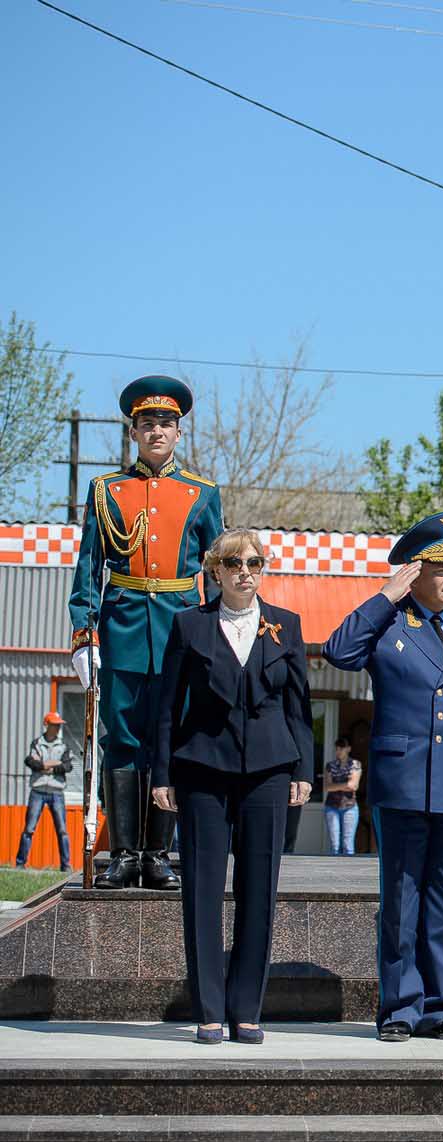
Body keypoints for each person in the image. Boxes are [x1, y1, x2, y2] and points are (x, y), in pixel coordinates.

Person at [323, 512, 443, 1043]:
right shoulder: (391, 625)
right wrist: (384, 598)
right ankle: (399, 1008)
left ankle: (438, 1008)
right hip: (404, 785)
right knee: (402, 903)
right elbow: (338, 651)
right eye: (440, 569)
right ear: (415, 574)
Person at [149, 530, 314, 1044]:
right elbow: (166, 708)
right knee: (201, 890)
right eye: (235, 562)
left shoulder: (285, 626)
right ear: (215, 571)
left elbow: (299, 709)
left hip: (268, 773)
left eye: (255, 562)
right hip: (201, 772)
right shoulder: (189, 626)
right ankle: (210, 1011)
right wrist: (161, 774)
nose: (247, 570)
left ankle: (247, 1009)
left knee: (259, 890)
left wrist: (304, 771)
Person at [68, 375, 223, 890]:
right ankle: (123, 854)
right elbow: (89, 567)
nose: (158, 430)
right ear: (133, 431)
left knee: (173, 740)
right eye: (148, 422)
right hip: (123, 628)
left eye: (167, 423)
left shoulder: (203, 494)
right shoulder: (107, 491)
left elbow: (216, 569)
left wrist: (220, 632)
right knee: (123, 739)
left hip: (181, 630)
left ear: (179, 433)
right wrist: (84, 634)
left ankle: (158, 854)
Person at [17, 713, 79, 871]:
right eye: (54, 724)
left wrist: (45, 765)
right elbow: (31, 762)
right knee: (29, 828)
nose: (58, 727)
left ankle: (65, 866)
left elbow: (67, 766)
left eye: (59, 724)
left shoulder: (64, 744)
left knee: (62, 830)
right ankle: (20, 863)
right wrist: (52, 764)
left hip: (56, 792)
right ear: (47, 725)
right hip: (37, 790)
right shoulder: (37, 743)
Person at [323, 738, 363, 856]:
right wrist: (345, 784)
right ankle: (334, 872)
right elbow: (327, 787)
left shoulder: (355, 764)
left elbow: (354, 785)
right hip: (332, 806)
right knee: (335, 845)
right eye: (337, 748)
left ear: (348, 749)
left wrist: (336, 785)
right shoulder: (330, 765)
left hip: (349, 807)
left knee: (348, 844)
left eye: (342, 748)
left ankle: (348, 873)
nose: (339, 751)